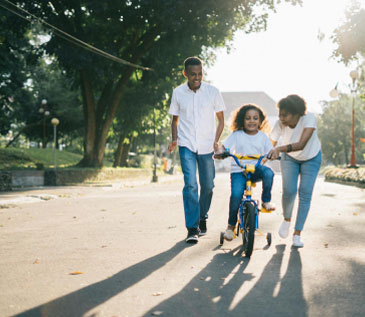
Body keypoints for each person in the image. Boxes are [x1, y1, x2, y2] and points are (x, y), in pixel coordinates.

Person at [168, 56, 225, 244]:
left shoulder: (212, 92)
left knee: (208, 186)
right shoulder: (178, 93)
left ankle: (202, 216)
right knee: (191, 184)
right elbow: (174, 119)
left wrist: (216, 141)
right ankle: (192, 228)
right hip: (186, 145)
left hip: (207, 146)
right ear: (185, 73)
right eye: (193, 74)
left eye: (200, 73)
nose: (197, 77)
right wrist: (175, 139)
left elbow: (221, 119)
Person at [268, 94, 322, 248]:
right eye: (280, 114)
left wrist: (279, 148)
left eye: (285, 115)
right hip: (290, 158)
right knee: (289, 191)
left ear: (297, 113)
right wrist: (261, 159)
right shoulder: (280, 124)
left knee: (305, 193)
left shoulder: (308, 119)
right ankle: (286, 219)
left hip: (311, 157)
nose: (281, 118)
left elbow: (301, 144)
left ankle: (297, 234)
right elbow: (269, 144)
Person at [218, 104, 275, 241]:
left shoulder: (263, 137)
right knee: (236, 195)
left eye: (255, 118)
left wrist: (272, 154)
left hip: (255, 168)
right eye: (248, 118)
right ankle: (230, 227)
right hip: (239, 170)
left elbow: (270, 151)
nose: (251, 121)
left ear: (260, 121)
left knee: (269, 173)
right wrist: (221, 152)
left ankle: (266, 201)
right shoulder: (237, 135)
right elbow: (224, 146)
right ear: (242, 120)